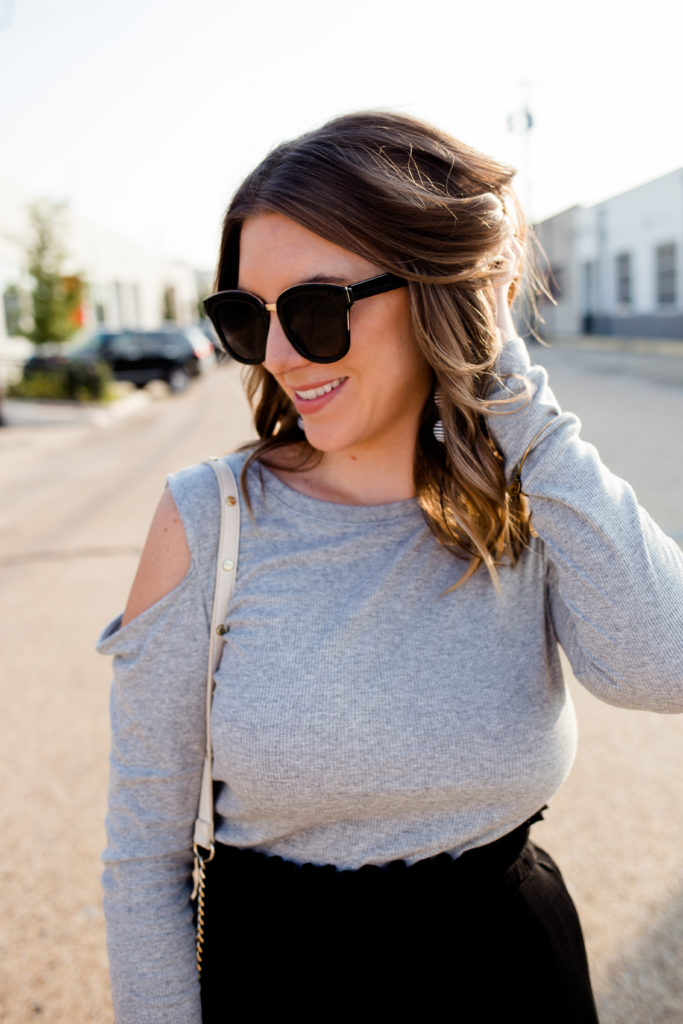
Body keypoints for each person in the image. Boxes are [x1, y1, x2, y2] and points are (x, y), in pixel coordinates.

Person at [97, 111, 683, 1024]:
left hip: (519, 979)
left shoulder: (531, 500)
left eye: (317, 309)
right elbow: (144, 853)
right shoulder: (205, 520)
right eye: (246, 319)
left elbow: (664, 666)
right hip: (284, 988)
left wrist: (518, 408)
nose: (282, 355)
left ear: (434, 293)